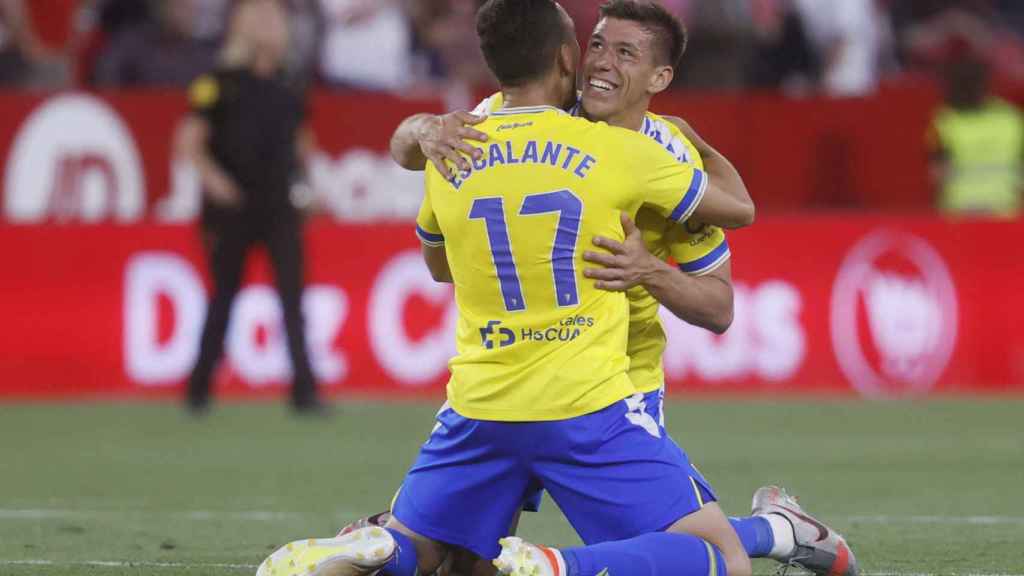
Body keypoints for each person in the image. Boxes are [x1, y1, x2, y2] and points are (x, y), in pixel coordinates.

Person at [339, 2, 856, 576]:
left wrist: (650, 270)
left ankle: (771, 531)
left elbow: (720, 307)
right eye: (600, 44)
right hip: (520, 375)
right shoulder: (526, 113)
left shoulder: (668, 155)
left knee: (677, 550)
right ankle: (777, 530)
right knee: (471, 566)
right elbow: (408, 149)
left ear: (660, 79)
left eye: (625, 53)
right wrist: (426, 127)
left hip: (616, 389)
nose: (602, 63)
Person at [181, 0, 326, 415]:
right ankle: (198, 390)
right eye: (258, 16)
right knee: (223, 296)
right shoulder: (217, 82)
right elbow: (190, 141)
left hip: (279, 203)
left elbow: (301, 140)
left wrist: (309, 184)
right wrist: (216, 182)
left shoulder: (289, 82)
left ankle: (305, 392)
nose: (268, 23)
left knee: (292, 299)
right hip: (233, 207)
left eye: (273, 16)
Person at [928, 52, 1023, 217]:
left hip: (960, 212)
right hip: (1006, 210)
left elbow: (937, 174)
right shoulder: (1011, 118)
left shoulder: (943, 122)